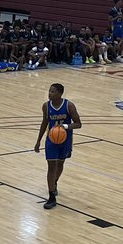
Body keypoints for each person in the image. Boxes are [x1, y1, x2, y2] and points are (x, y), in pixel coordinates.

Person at [34, 82, 82, 210]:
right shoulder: (46, 106)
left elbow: (78, 124)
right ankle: (51, 197)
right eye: (49, 91)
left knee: (60, 164)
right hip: (51, 140)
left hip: (65, 140)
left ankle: (54, 182)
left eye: (53, 91)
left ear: (60, 94)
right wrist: (38, 141)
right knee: (51, 166)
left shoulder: (69, 106)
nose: (49, 94)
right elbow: (44, 123)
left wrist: (65, 126)